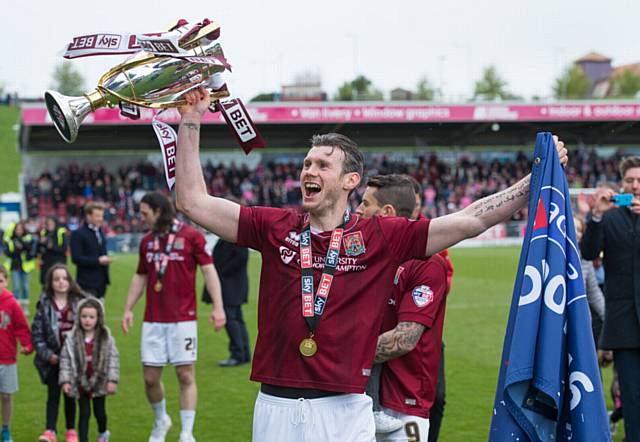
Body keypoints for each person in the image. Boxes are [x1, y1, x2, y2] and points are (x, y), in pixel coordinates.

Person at [174, 86, 567, 442]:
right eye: (307, 164)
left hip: (345, 409)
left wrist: (532, 182)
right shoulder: (274, 226)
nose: (309, 171)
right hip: (275, 405)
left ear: (350, 181)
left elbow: (471, 220)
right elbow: (192, 201)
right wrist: (190, 120)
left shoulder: (381, 236)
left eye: (323, 166)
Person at [121, 191, 226, 442]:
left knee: (185, 375)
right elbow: (140, 276)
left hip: (183, 320)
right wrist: (127, 308)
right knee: (150, 378)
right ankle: (161, 420)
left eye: (145, 213)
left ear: (158, 211)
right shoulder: (146, 241)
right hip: (153, 320)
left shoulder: (191, 237)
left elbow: (209, 271)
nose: (142, 217)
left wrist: (218, 307)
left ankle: (186, 433)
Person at [356, 174, 449, 441]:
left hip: (404, 405)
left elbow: (404, 339)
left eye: (364, 204)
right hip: (357, 398)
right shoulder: (365, 255)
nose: (358, 211)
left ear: (387, 212)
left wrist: (341, 354)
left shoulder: (426, 263)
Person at [580, 155, 640, 441]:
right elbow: (589, 253)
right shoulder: (610, 216)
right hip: (624, 325)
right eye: (630, 180)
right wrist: (596, 215)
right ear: (622, 183)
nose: (636, 185)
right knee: (632, 398)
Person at [32, 264, 86, 442]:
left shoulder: (80, 303)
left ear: (70, 281)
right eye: (57, 279)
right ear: (51, 283)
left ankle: (71, 431)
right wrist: (48, 355)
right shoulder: (44, 304)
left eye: (64, 278)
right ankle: (50, 430)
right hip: (53, 359)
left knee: (70, 394)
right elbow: (37, 334)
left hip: (72, 360)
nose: (61, 282)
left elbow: (89, 331)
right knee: (53, 395)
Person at [60, 298, 119, 442]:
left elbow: (113, 359)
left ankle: (103, 432)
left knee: (99, 413)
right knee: (84, 413)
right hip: (80, 383)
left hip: (99, 382)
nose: (87, 320)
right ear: (78, 317)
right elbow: (66, 360)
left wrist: (112, 380)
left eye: (92, 317)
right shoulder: (72, 338)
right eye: (84, 316)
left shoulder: (105, 337)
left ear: (98, 318)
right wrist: (65, 381)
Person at [202, 237, 251, 367]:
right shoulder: (230, 237)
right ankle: (244, 353)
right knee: (237, 320)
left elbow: (241, 258)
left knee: (231, 320)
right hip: (233, 285)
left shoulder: (234, 238)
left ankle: (238, 354)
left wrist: (221, 272)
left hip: (231, 286)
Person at [0, 264, 33, 442]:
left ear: (6, 281)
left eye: (0, 280)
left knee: (6, 396)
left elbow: (21, 327)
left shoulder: (11, 303)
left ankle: (5, 429)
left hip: (7, 358)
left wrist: (27, 345)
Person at [70, 202, 111, 298]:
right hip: (86, 283)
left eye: (101, 216)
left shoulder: (100, 232)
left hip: (101, 282)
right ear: (88, 216)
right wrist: (98, 261)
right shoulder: (78, 234)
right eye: (97, 216)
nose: (100, 219)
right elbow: (76, 258)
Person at [3, 221, 37, 315]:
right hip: (15, 266)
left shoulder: (28, 238)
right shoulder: (10, 239)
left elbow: (31, 251)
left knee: (25, 287)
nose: (19, 231)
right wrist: (16, 248)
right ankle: (16, 307)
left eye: (20, 229)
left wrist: (22, 245)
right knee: (16, 287)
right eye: (17, 229)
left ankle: (25, 307)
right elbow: (7, 252)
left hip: (25, 267)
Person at [39, 216, 69, 287]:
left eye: (51, 223)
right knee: (45, 283)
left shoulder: (60, 232)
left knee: (58, 282)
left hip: (58, 261)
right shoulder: (43, 233)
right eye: (48, 223)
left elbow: (64, 248)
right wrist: (41, 244)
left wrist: (52, 247)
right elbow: (40, 249)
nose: (49, 225)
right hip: (46, 262)